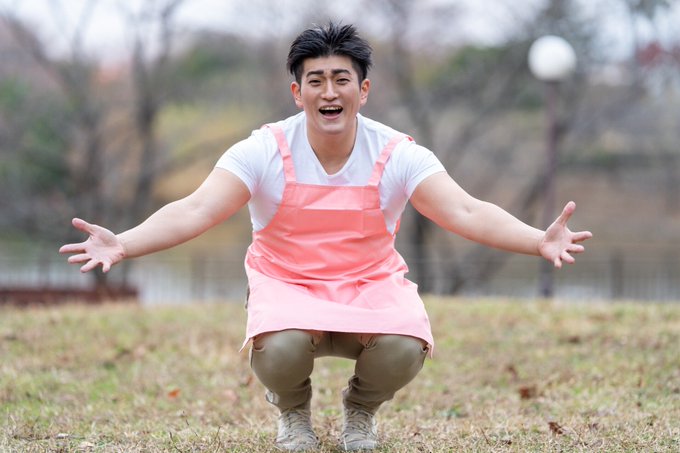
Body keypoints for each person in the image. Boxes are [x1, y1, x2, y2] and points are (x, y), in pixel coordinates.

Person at [59, 22, 592, 452]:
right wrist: (125, 242)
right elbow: (197, 207)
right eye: (315, 80)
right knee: (281, 349)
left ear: (364, 90)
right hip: (286, 286)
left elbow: (464, 209)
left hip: (370, 285)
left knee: (407, 346)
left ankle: (360, 411)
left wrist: (536, 240)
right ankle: (292, 412)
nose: (329, 92)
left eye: (341, 79)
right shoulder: (262, 150)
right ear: (297, 93)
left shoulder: (398, 153)